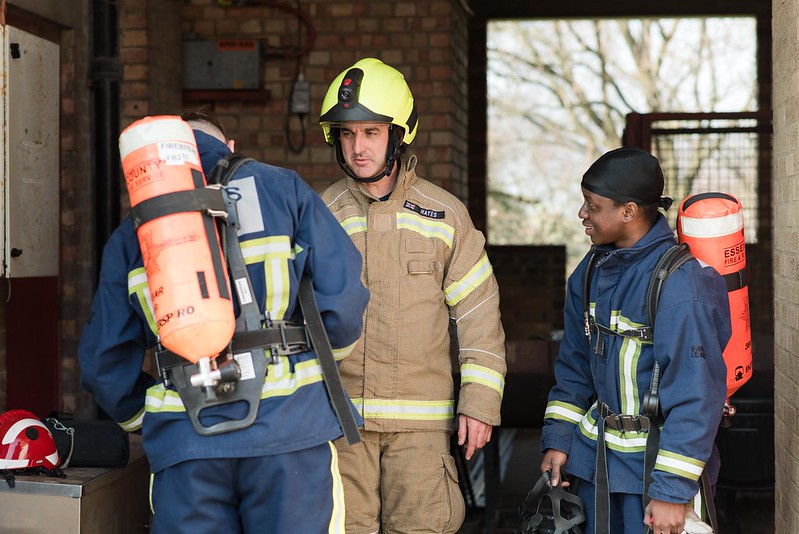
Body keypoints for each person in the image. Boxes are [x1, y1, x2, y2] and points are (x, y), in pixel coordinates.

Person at [78, 110, 369, 534]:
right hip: (288, 436)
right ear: (229, 146)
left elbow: (103, 364)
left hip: (187, 447)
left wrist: (156, 415)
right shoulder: (282, 188)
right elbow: (344, 304)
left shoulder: (134, 231)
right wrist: (310, 369)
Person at [318, 57, 507, 534]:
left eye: (371, 133)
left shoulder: (446, 217)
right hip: (342, 424)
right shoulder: (321, 215)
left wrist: (479, 404)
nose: (357, 147)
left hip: (421, 431)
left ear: (398, 135)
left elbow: (479, 313)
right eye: (347, 134)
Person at [539, 147, 732, 534]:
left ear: (628, 211)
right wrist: (558, 439)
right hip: (596, 467)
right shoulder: (590, 271)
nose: (582, 214)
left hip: (656, 477)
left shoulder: (681, 285)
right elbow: (574, 365)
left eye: (592, 206)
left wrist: (673, 493)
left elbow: (698, 395)